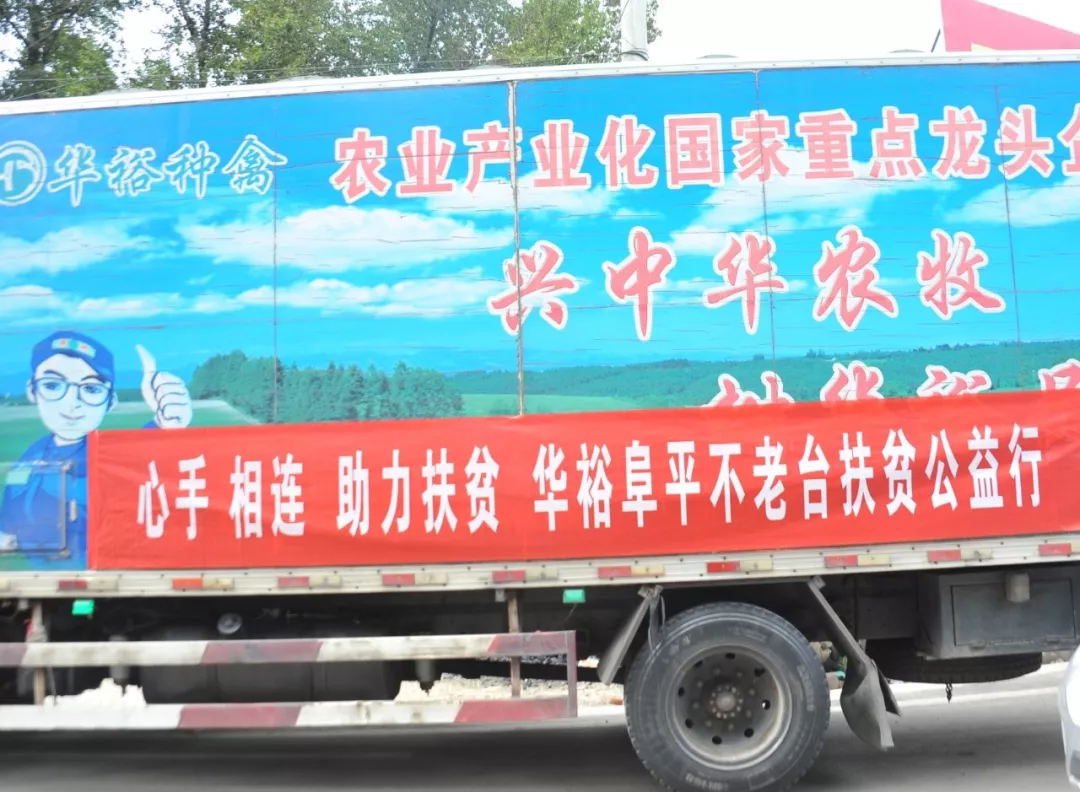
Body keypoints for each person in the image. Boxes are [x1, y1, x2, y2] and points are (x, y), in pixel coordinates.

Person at [0, 331, 192, 568]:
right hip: (41, 571)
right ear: (32, 390)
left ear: (110, 402)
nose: (72, 403)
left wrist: (165, 423)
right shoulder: (31, 457)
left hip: (97, 567)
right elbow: (9, 525)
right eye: (52, 385)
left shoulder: (105, 452)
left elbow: (140, 457)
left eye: (91, 389)